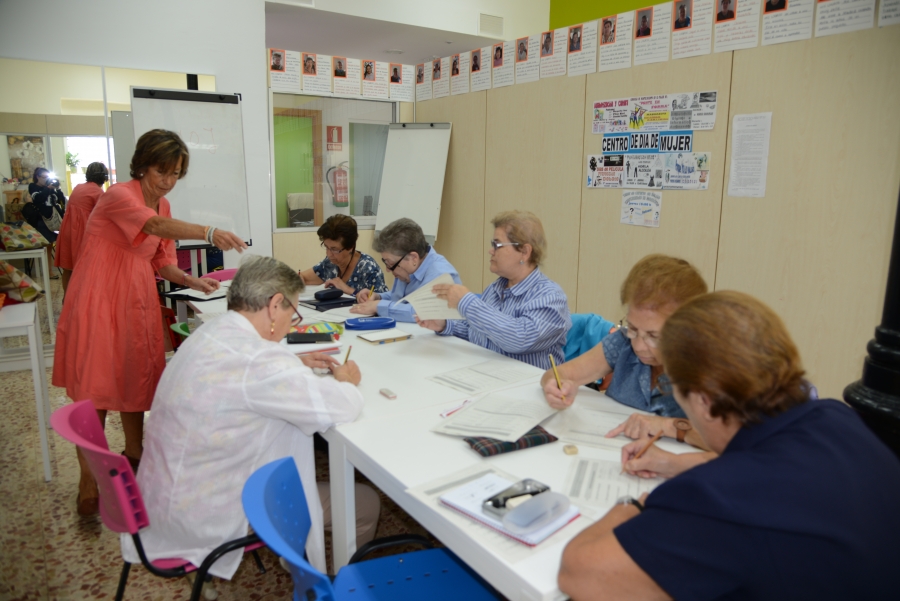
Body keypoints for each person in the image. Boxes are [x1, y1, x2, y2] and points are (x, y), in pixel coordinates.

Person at [557, 291, 900, 601]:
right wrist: (676, 464)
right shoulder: (836, 417)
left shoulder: (721, 497)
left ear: (703, 402)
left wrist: (634, 504)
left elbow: (578, 573)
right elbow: (780, 483)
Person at [121, 256, 380, 580]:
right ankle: (344, 587)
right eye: (293, 312)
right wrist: (346, 381)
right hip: (203, 513)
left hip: (165, 496)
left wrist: (291, 363)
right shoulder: (259, 362)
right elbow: (341, 407)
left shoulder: (213, 331)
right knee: (365, 502)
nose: (291, 323)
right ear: (274, 306)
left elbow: (241, 378)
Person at [53, 129, 247, 516]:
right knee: (95, 386)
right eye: (162, 171)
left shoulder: (165, 206)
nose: (169, 181)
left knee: (133, 375)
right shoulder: (118, 196)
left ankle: (136, 454)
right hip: (98, 295)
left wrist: (190, 280)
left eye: (176, 173)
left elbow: (160, 259)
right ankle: (88, 476)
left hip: (136, 297)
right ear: (142, 166)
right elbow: (153, 229)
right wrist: (209, 233)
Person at [541, 254, 707, 417]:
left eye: (654, 336)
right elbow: (557, 374)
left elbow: (726, 435)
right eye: (633, 328)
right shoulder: (622, 342)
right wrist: (557, 387)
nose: (639, 346)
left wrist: (667, 427)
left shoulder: (705, 368)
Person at [417, 211, 570, 370]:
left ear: (525, 252)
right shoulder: (495, 288)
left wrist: (466, 302)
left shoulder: (550, 296)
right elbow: (480, 332)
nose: (491, 251)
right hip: (488, 377)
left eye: (497, 245)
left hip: (529, 388)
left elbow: (519, 339)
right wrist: (444, 325)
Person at [352, 218, 460, 322]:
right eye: (386, 262)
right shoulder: (406, 268)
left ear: (413, 258)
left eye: (391, 263)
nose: (388, 269)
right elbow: (400, 299)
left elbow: (421, 312)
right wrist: (378, 297)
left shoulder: (441, 274)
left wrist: (378, 306)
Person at [298, 214, 386, 296]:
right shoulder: (329, 263)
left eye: (334, 249)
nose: (329, 254)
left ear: (350, 247)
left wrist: (346, 289)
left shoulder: (369, 268)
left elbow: (379, 303)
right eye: (326, 247)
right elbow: (303, 277)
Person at [54, 162, 107, 291]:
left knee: (69, 268)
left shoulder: (78, 187)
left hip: (68, 231)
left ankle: (67, 299)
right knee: (87, 270)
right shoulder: (97, 192)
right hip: (82, 233)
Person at [25, 166, 66, 245]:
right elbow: (38, 199)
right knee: (47, 245)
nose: (47, 179)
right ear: (38, 177)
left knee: (62, 243)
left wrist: (57, 188)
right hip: (43, 220)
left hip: (56, 220)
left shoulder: (51, 187)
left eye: (48, 177)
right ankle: (48, 257)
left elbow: (62, 201)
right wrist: (48, 188)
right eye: (45, 177)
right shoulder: (33, 186)